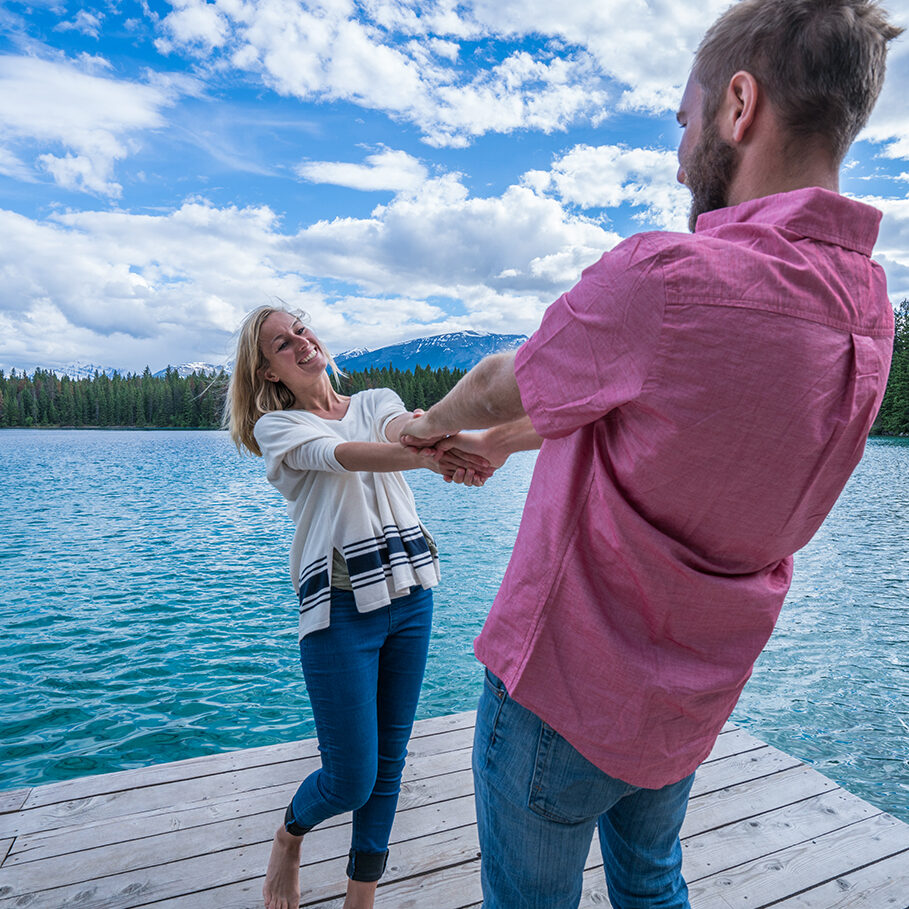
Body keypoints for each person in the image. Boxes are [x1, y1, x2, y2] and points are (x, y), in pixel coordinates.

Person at [399, 1, 903, 906]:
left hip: (562, 692)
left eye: (683, 118)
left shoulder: (668, 280)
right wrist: (504, 447)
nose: (678, 152)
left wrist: (419, 427)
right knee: (652, 883)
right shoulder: (867, 310)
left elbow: (491, 378)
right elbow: (658, 419)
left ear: (737, 105)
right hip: (689, 702)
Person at [224, 305, 489, 909]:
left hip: (412, 596)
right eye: (280, 344)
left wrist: (430, 435)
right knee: (351, 777)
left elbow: (395, 428)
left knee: (390, 762)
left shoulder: (374, 399)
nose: (300, 343)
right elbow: (344, 456)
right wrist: (428, 455)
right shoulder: (279, 429)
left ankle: (359, 897)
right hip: (340, 610)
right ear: (267, 371)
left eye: (300, 330)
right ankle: (290, 835)